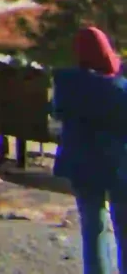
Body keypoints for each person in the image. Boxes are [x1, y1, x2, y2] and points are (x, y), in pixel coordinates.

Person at [55, 26, 127, 274]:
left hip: (81, 164)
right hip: (119, 165)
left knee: (92, 226)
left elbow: (57, 111)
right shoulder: (118, 89)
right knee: (124, 226)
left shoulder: (66, 83)